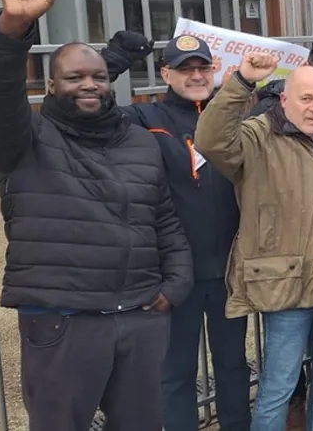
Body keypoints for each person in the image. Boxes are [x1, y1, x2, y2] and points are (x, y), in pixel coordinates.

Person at [0, 0, 193, 431]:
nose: (89, 84)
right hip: (63, 321)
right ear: (51, 86)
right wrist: (11, 27)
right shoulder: (24, 140)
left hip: (138, 318)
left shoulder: (138, 141)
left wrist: (175, 284)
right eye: (74, 77)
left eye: (98, 77)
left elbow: (164, 220)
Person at [194, 54, 313, 431]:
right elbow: (210, 140)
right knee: (279, 385)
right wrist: (242, 81)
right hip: (285, 283)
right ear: (285, 99)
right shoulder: (258, 136)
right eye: (306, 98)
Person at [102, 33, 249, 431]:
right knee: (175, 372)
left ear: (214, 69)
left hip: (229, 270)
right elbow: (93, 112)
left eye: (203, 67)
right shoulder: (145, 119)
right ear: (165, 74)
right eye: (185, 69)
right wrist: (113, 62)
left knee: (233, 365)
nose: (196, 75)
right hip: (174, 274)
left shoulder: (232, 116)